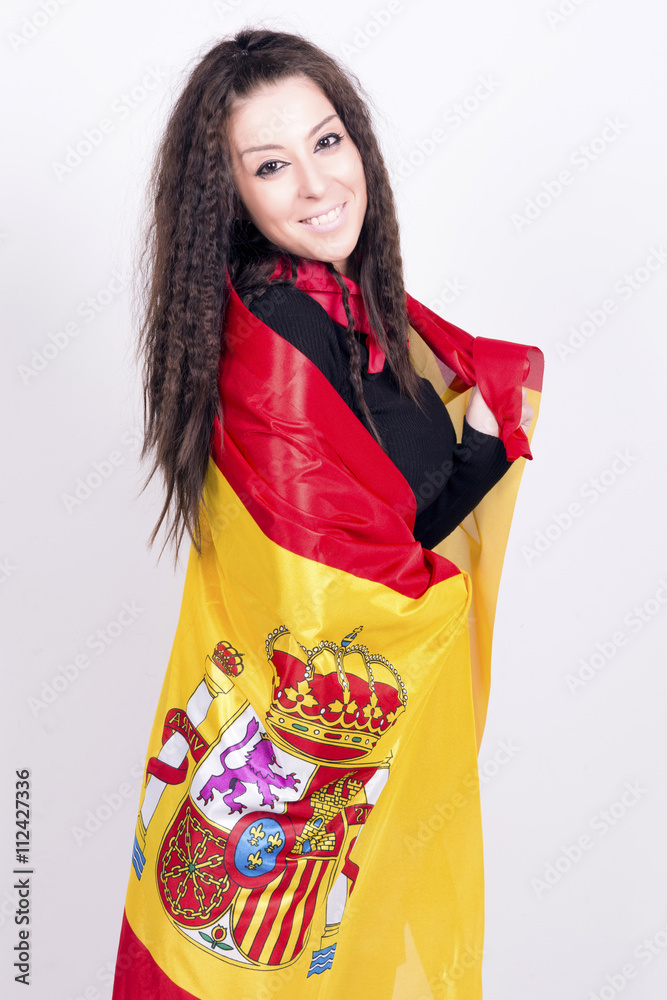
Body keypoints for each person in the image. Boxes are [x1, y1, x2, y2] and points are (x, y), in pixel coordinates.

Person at [112, 28, 543, 1000]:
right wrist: (483, 455)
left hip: (346, 792)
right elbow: (338, 602)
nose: (316, 185)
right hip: (291, 798)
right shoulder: (277, 335)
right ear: (232, 194)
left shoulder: (348, 309)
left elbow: (393, 525)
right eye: (271, 165)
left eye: (327, 141)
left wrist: (483, 442)